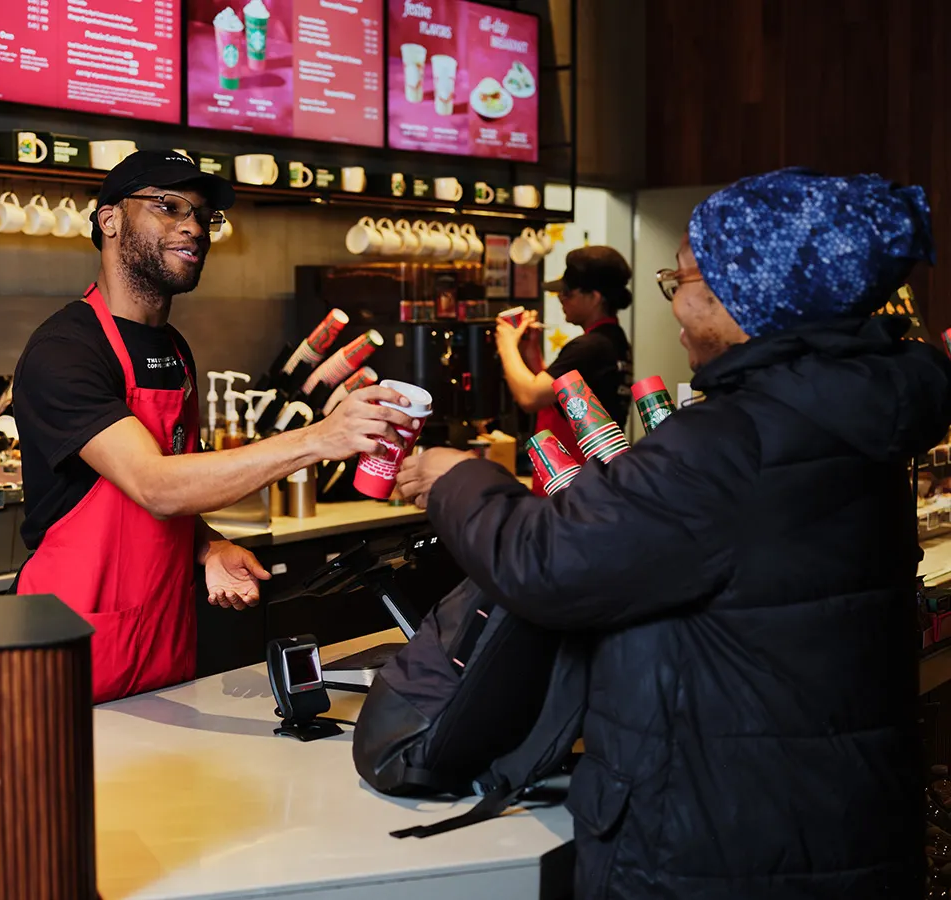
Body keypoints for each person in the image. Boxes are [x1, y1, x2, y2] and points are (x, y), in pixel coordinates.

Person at [397, 168, 951, 898]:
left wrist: (452, 478)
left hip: (715, 843)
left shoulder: (736, 439)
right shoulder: (848, 411)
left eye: (682, 280)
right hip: (834, 815)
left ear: (742, 291)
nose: (677, 303)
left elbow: (549, 564)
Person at [13, 151, 419, 704]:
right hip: (74, 645)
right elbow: (154, 485)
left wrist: (208, 547)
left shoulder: (174, 350)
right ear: (109, 220)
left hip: (163, 638)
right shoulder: (66, 351)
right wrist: (320, 437)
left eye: (204, 215)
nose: (193, 227)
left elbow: (176, 489)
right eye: (168, 206)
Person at [495, 246, 633, 463]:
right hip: (592, 473)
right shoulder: (613, 339)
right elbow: (553, 394)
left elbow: (530, 397)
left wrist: (506, 343)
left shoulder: (590, 347)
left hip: (575, 477)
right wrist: (531, 352)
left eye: (567, 292)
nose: (560, 298)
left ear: (595, 297)